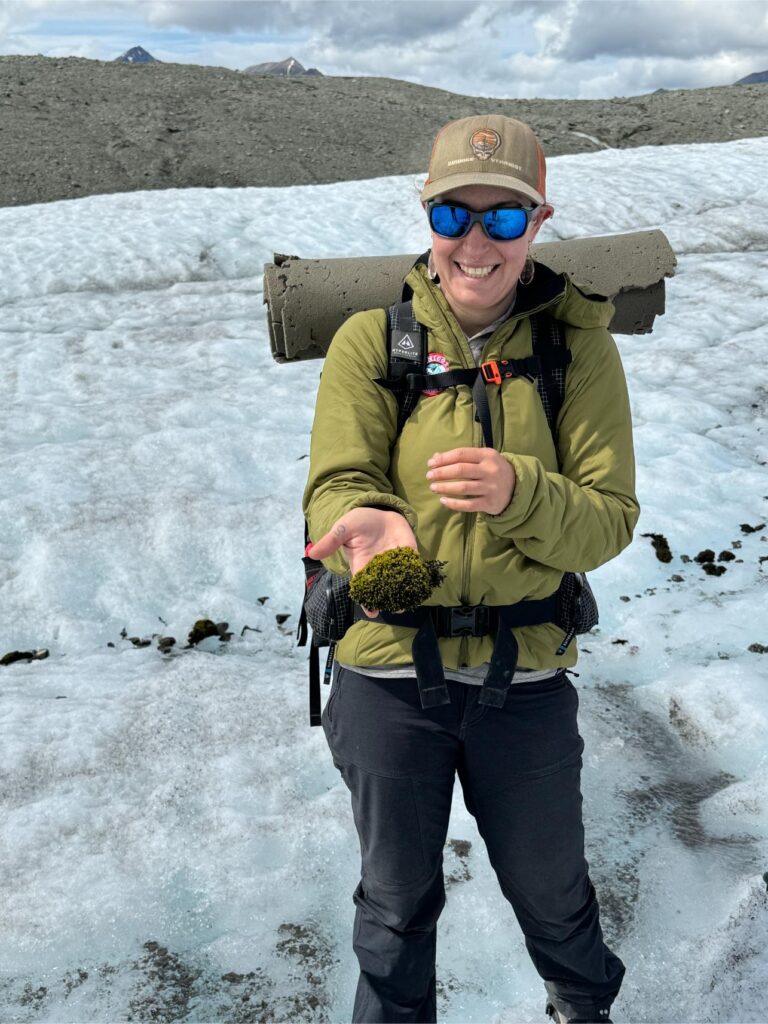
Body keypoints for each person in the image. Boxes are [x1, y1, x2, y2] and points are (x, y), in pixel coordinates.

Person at [302, 114, 639, 1024]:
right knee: (395, 905)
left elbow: (608, 522)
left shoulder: (580, 351)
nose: (477, 243)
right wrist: (362, 521)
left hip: (523, 678)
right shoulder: (372, 345)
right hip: (385, 674)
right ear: (428, 216)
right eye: (455, 216)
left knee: (553, 890)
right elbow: (338, 482)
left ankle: (581, 1007)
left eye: (504, 218)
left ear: (539, 222)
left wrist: (519, 492)